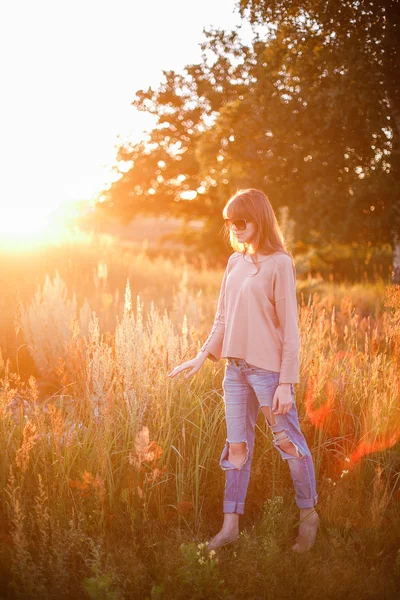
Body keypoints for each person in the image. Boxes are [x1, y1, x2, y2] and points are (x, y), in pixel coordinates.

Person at [168, 188, 319, 553]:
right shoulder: (234, 263)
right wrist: (202, 355)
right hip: (234, 372)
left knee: (290, 446)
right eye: (229, 222)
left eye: (240, 221)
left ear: (259, 219)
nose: (233, 228)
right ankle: (229, 528)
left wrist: (286, 382)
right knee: (236, 449)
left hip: (268, 374)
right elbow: (223, 317)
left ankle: (309, 516)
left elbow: (290, 330)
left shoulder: (279, 263)